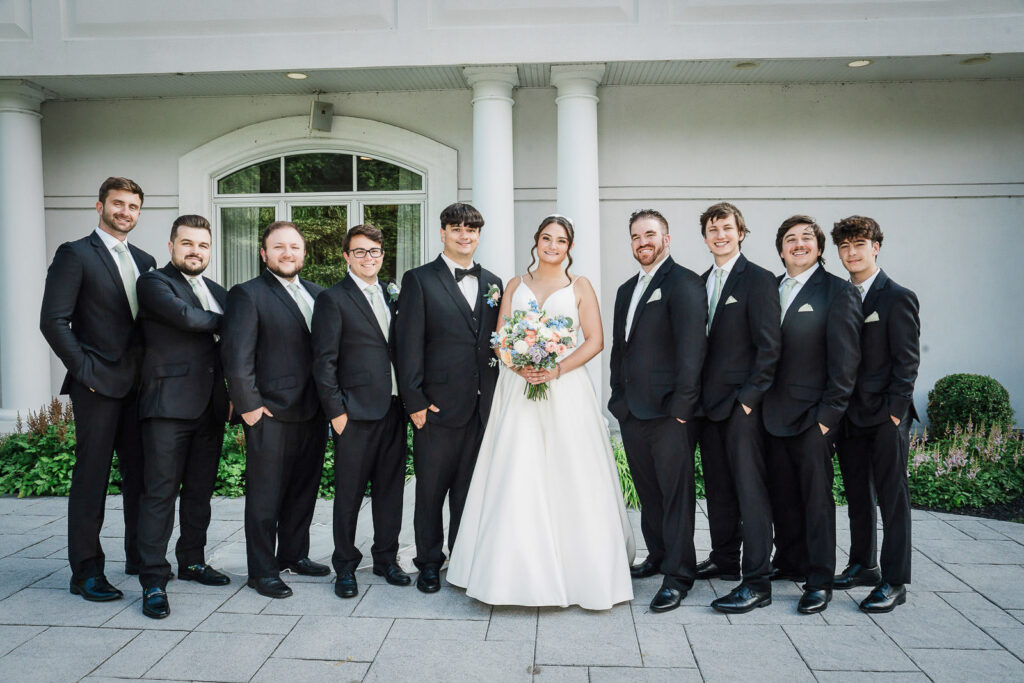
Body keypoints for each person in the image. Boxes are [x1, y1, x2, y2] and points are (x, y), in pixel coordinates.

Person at [447, 215, 635, 610]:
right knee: (518, 469)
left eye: (561, 240)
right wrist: (521, 367)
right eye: (546, 238)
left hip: (566, 388)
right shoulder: (515, 285)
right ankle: (508, 571)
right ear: (536, 241)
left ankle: (580, 574)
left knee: (571, 472)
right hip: (519, 387)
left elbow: (596, 339)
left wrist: (555, 369)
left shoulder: (579, 286)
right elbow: (500, 339)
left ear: (570, 246)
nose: (553, 245)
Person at [40, 177, 155, 602]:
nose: (126, 212)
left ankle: (139, 556)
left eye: (133, 206)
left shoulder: (146, 260)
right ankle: (85, 571)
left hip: (139, 386)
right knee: (91, 478)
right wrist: (86, 370)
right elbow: (53, 321)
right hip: (96, 386)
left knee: (140, 476)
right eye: (118, 204)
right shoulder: (75, 255)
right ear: (100, 206)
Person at [395, 203, 503, 594]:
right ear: (442, 233)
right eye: (456, 228)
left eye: (471, 230)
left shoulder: (494, 282)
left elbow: (496, 344)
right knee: (430, 490)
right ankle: (428, 562)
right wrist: (415, 402)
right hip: (436, 408)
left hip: (481, 408)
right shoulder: (419, 280)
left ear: (478, 235)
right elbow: (406, 346)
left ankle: (463, 556)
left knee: (469, 491)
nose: (464, 235)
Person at [221, 221, 328, 599]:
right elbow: (236, 357)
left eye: (295, 247)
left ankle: (294, 555)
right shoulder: (247, 295)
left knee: (304, 489)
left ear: (303, 253)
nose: (288, 253)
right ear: (264, 254)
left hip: (314, 411)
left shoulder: (319, 295)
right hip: (269, 413)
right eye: (279, 247)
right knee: (265, 496)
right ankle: (262, 571)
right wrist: (250, 407)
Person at [134, 215, 232, 619]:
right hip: (167, 406)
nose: (196, 251)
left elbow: (228, 351)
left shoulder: (218, 291)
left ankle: (192, 561)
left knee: (199, 494)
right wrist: (240, 320)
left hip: (210, 406)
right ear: (172, 245)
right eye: (188, 243)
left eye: (203, 245)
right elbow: (187, 319)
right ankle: (153, 579)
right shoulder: (154, 283)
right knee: (159, 495)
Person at [609, 209, 707, 614]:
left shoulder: (684, 282)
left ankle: (680, 574)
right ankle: (659, 555)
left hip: (670, 414)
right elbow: (621, 349)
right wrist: (618, 398)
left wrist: (683, 409)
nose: (642, 242)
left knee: (674, 496)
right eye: (635, 236)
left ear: (666, 238)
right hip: (633, 411)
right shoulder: (626, 289)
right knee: (649, 493)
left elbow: (692, 350)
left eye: (650, 234)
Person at [762, 215, 861, 614]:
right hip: (771, 414)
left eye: (806, 238)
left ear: (819, 248)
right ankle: (789, 561)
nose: (798, 244)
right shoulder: (770, 288)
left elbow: (846, 360)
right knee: (781, 493)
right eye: (790, 239)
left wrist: (828, 417)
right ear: (781, 249)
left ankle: (819, 578)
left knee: (816, 499)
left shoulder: (837, 292)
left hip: (813, 416)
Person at [311, 224, 411, 599]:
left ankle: (386, 559)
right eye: (359, 252)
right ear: (346, 256)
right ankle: (345, 566)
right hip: (353, 414)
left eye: (374, 252)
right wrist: (336, 412)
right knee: (349, 494)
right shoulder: (333, 299)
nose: (368, 258)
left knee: (391, 491)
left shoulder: (392, 294)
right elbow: (323, 362)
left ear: (383, 255)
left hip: (394, 409)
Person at [694, 203, 781, 614]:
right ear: (706, 236)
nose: (720, 235)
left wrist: (748, 400)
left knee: (750, 492)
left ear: (741, 232)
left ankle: (757, 581)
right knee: (719, 489)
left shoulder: (760, 280)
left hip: (742, 408)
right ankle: (725, 558)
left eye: (727, 228)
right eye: (712, 229)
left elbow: (769, 348)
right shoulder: (699, 282)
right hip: (706, 408)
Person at [831, 215, 920, 613]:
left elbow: (907, 362)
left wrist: (895, 415)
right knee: (857, 496)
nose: (851, 253)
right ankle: (862, 564)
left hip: (885, 417)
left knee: (892, 498)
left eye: (859, 245)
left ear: (875, 247)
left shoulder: (897, 296)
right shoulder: (839, 295)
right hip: (848, 416)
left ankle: (894, 580)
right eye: (845, 246)